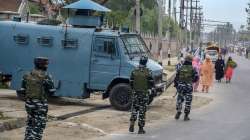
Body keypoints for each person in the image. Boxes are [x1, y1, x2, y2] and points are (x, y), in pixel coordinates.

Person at [21, 57, 55, 140]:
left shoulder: (27, 75)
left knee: (30, 123)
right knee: (39, 126)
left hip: (29, 103)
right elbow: (52, 91)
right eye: (46, 64)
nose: (47, 66)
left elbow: (22, 90)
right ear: (42, 65)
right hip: (40, 105)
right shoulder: (46, 76)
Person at [129, 56, 154, 134]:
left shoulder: (134, 71)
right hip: (144, 94)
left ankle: (132, 124)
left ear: (140, 61)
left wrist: (134, 89)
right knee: (142, 111)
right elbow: (151, 83)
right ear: (146, 62)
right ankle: (140, 128)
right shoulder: (148, 72)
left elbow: (131, 82)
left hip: (135, 93)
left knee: (134, 109)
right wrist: (149, 90)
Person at [174, 55, 199, 121]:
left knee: (180, 99)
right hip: (189, 86)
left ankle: (178, 111)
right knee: (188, 101)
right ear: (191, 60)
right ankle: (186, 115)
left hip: (181, 86)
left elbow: (176, 77)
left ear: (185, 60)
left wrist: (177, 85)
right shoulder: (193, 68)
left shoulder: (180, 67)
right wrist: (191, 81)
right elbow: (196, 78)